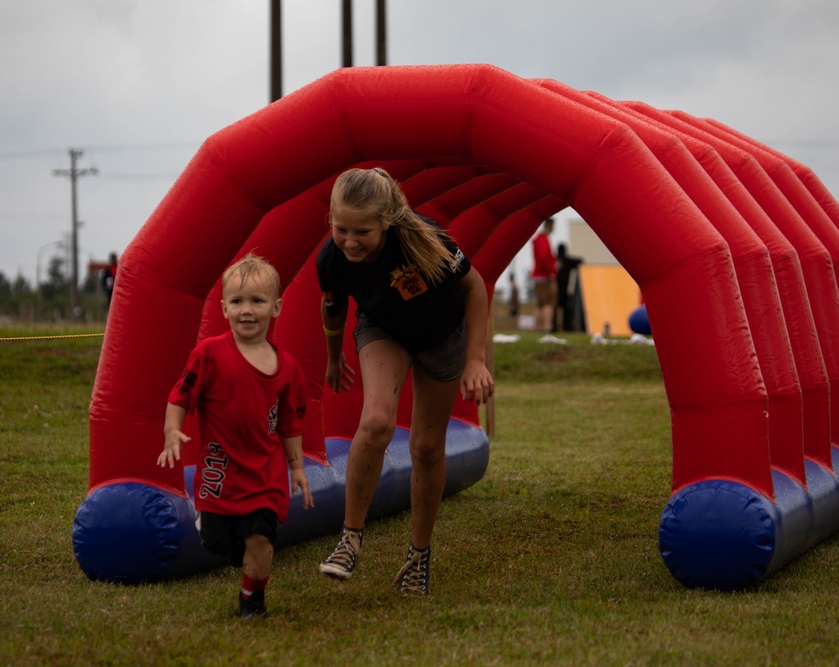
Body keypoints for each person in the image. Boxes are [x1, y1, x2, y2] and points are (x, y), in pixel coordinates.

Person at [316, 167, 494, 596]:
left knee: (427, 448)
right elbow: (335, 307)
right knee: (376, 421)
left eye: (363, 232)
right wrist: (334, 357)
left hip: (442, 338)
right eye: (341, 229)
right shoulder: (333, 257)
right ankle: (350, 537)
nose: (351, 242)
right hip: (385, 330)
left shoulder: (427, 241)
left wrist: (475, 360)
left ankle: (418, 557)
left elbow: (474, 287)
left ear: (388, 222)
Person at [158, 253, 313, 619]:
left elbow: (290, 424)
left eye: (257, 301)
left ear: (275, 308)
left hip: (265, 475)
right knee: (215, 539)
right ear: (224, 307)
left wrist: (297, 468)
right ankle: (239, 555)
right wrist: (171, 430)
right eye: (238, 301)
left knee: (260, 537)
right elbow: (179, 395)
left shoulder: (287, 368)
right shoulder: (208, 354)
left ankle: (252, 601)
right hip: (219, 472)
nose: (247, 310)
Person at [531, 218, 557, 333]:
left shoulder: (537, 239)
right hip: (544, 275)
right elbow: (544, 257)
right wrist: (551, 271)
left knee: (540, 303)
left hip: (537, 275)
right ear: (550, 226)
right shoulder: (543, 239)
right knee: (548, 302)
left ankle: (539, 327)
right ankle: (547, 327)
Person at [555, 243, 583, 332]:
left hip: (555, 289)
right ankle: (567, 327)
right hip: (565, 290)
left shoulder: (554, 260)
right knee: (567, 311)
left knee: (553, 310)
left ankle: (553, 327)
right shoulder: (567, 261)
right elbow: (580, 261)